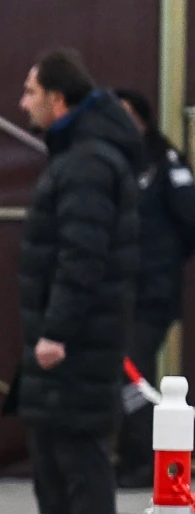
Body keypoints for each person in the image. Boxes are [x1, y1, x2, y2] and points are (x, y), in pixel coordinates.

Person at [0, 50, 143, 514]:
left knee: (82, 459)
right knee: (50, 457)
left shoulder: (88, 163)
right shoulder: (76, 156)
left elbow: (83, 256)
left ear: (59, 98)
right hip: (62, 340)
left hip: (77, 343)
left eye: (30, 92)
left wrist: (56, 332)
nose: (23, 103)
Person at [111, 88, 195, 489]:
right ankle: (132, 456)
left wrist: (162, 260)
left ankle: (147, 458)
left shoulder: (164, 160)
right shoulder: (114, 163)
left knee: (133, 374)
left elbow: (189, 218)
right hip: (120, 291)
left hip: (153, 292)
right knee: (124, 373)